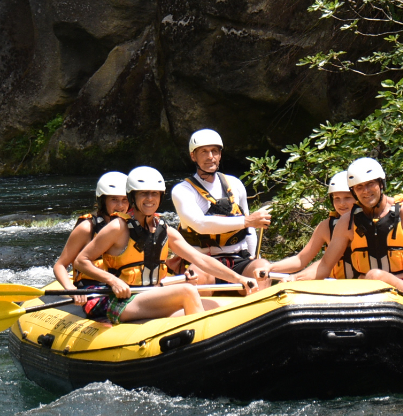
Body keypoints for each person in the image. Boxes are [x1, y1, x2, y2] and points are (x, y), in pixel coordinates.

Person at [73, 167, 258, 324]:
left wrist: (238, 279)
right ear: (132, 196)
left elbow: (201, 259)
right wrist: (113, 281)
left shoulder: (164, 229)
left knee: (225, 306)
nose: (149, 199)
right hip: (123, 300)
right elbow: (81, 261)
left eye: (154, 193)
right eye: (143, 193)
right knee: (187, 290)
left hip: (152, 296)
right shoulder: (117, 227)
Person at [316, 157, 403, 301]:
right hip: (365, 291)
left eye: (370, 184)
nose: (365, 191)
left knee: (375, 275)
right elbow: (325, 265)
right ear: (354, 192)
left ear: (381, 184)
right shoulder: (347, 222)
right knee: (372, 277)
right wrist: (295, 279)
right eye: (359, 187)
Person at [169, 129, 271, 283]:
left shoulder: (235, 184)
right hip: (203, 264)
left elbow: (250, 231)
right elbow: (200, 225)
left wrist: (253, 255)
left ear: (220, 155)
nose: (210, 157)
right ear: (193, 156)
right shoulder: (182, 190)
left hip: (238, 259)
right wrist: (246, 221)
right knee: (196, 273)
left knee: (262, 267)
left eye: (214, 151)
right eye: (204, 152)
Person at [266, 171, 357, 280]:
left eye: (347, 198)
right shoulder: (326, 227)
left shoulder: (367, 222)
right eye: (336, 198)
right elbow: (300, 259)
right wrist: (270, 267)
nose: (341, 203)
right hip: (336, 286)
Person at [52, 171, 127, 295]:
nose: (120, 205)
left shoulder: (130, 226)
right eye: (114, 199)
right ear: (103, 201)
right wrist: (70, 289)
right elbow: (59, 265)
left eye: (125, 200)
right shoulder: (87, 228)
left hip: (123, 286)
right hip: (93, 288)